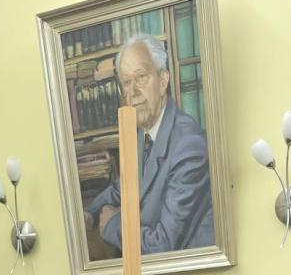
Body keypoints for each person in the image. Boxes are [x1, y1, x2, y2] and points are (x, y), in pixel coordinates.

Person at [84, 34, 215, 256]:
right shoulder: (142, 131)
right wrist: (90, 211)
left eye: (141, 77)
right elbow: (124, 186)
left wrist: (113, 224)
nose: (133, 92)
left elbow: (164, 244)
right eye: (126, 82)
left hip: (186, 271)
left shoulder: (189, 146)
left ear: (163, 81)